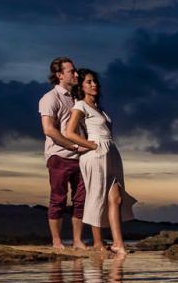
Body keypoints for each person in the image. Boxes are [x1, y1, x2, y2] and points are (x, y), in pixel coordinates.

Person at [62, 67, 137, 255]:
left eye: (95, 81)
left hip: (110, 152)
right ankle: (98, 242)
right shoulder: (80, 105)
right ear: (81, 86)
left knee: (117, 198)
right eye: (89, 82)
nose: (94, 84)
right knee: (97, 197)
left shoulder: (99, 108)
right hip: (96, 154)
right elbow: (69, 133)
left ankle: (118, 243)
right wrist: (90, 145)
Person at [39, 56, 91, 250]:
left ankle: (77, 240)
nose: (76, 74)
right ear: (60, 75)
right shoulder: (50, 98)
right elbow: (49, 130)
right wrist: (74, 147)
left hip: (81, 157)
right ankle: (56, 241)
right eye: (71, 71)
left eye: (75, 70)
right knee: (58, 199)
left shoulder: (77, 98)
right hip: (59, 156)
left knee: (81, 200)